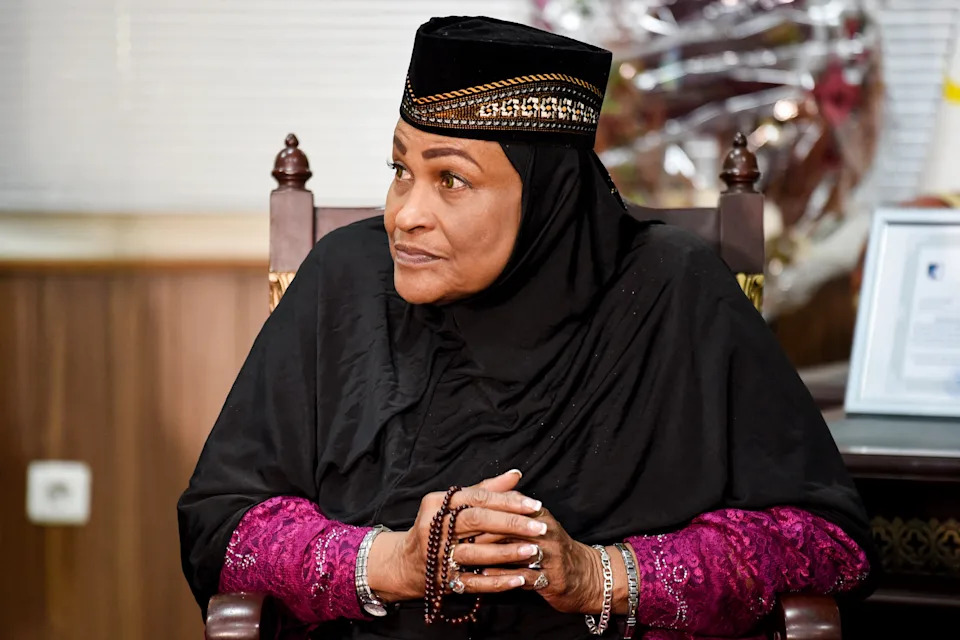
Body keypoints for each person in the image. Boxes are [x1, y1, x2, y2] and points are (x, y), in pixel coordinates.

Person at [178, 16, 873, 640]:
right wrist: (394, 563)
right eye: (400, 170)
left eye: (450, 179)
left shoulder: (673, 294)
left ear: (549, 196)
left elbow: (824, 544)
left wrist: (599, 575)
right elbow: (223, 523)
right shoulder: (347, 283)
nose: (405, 215)